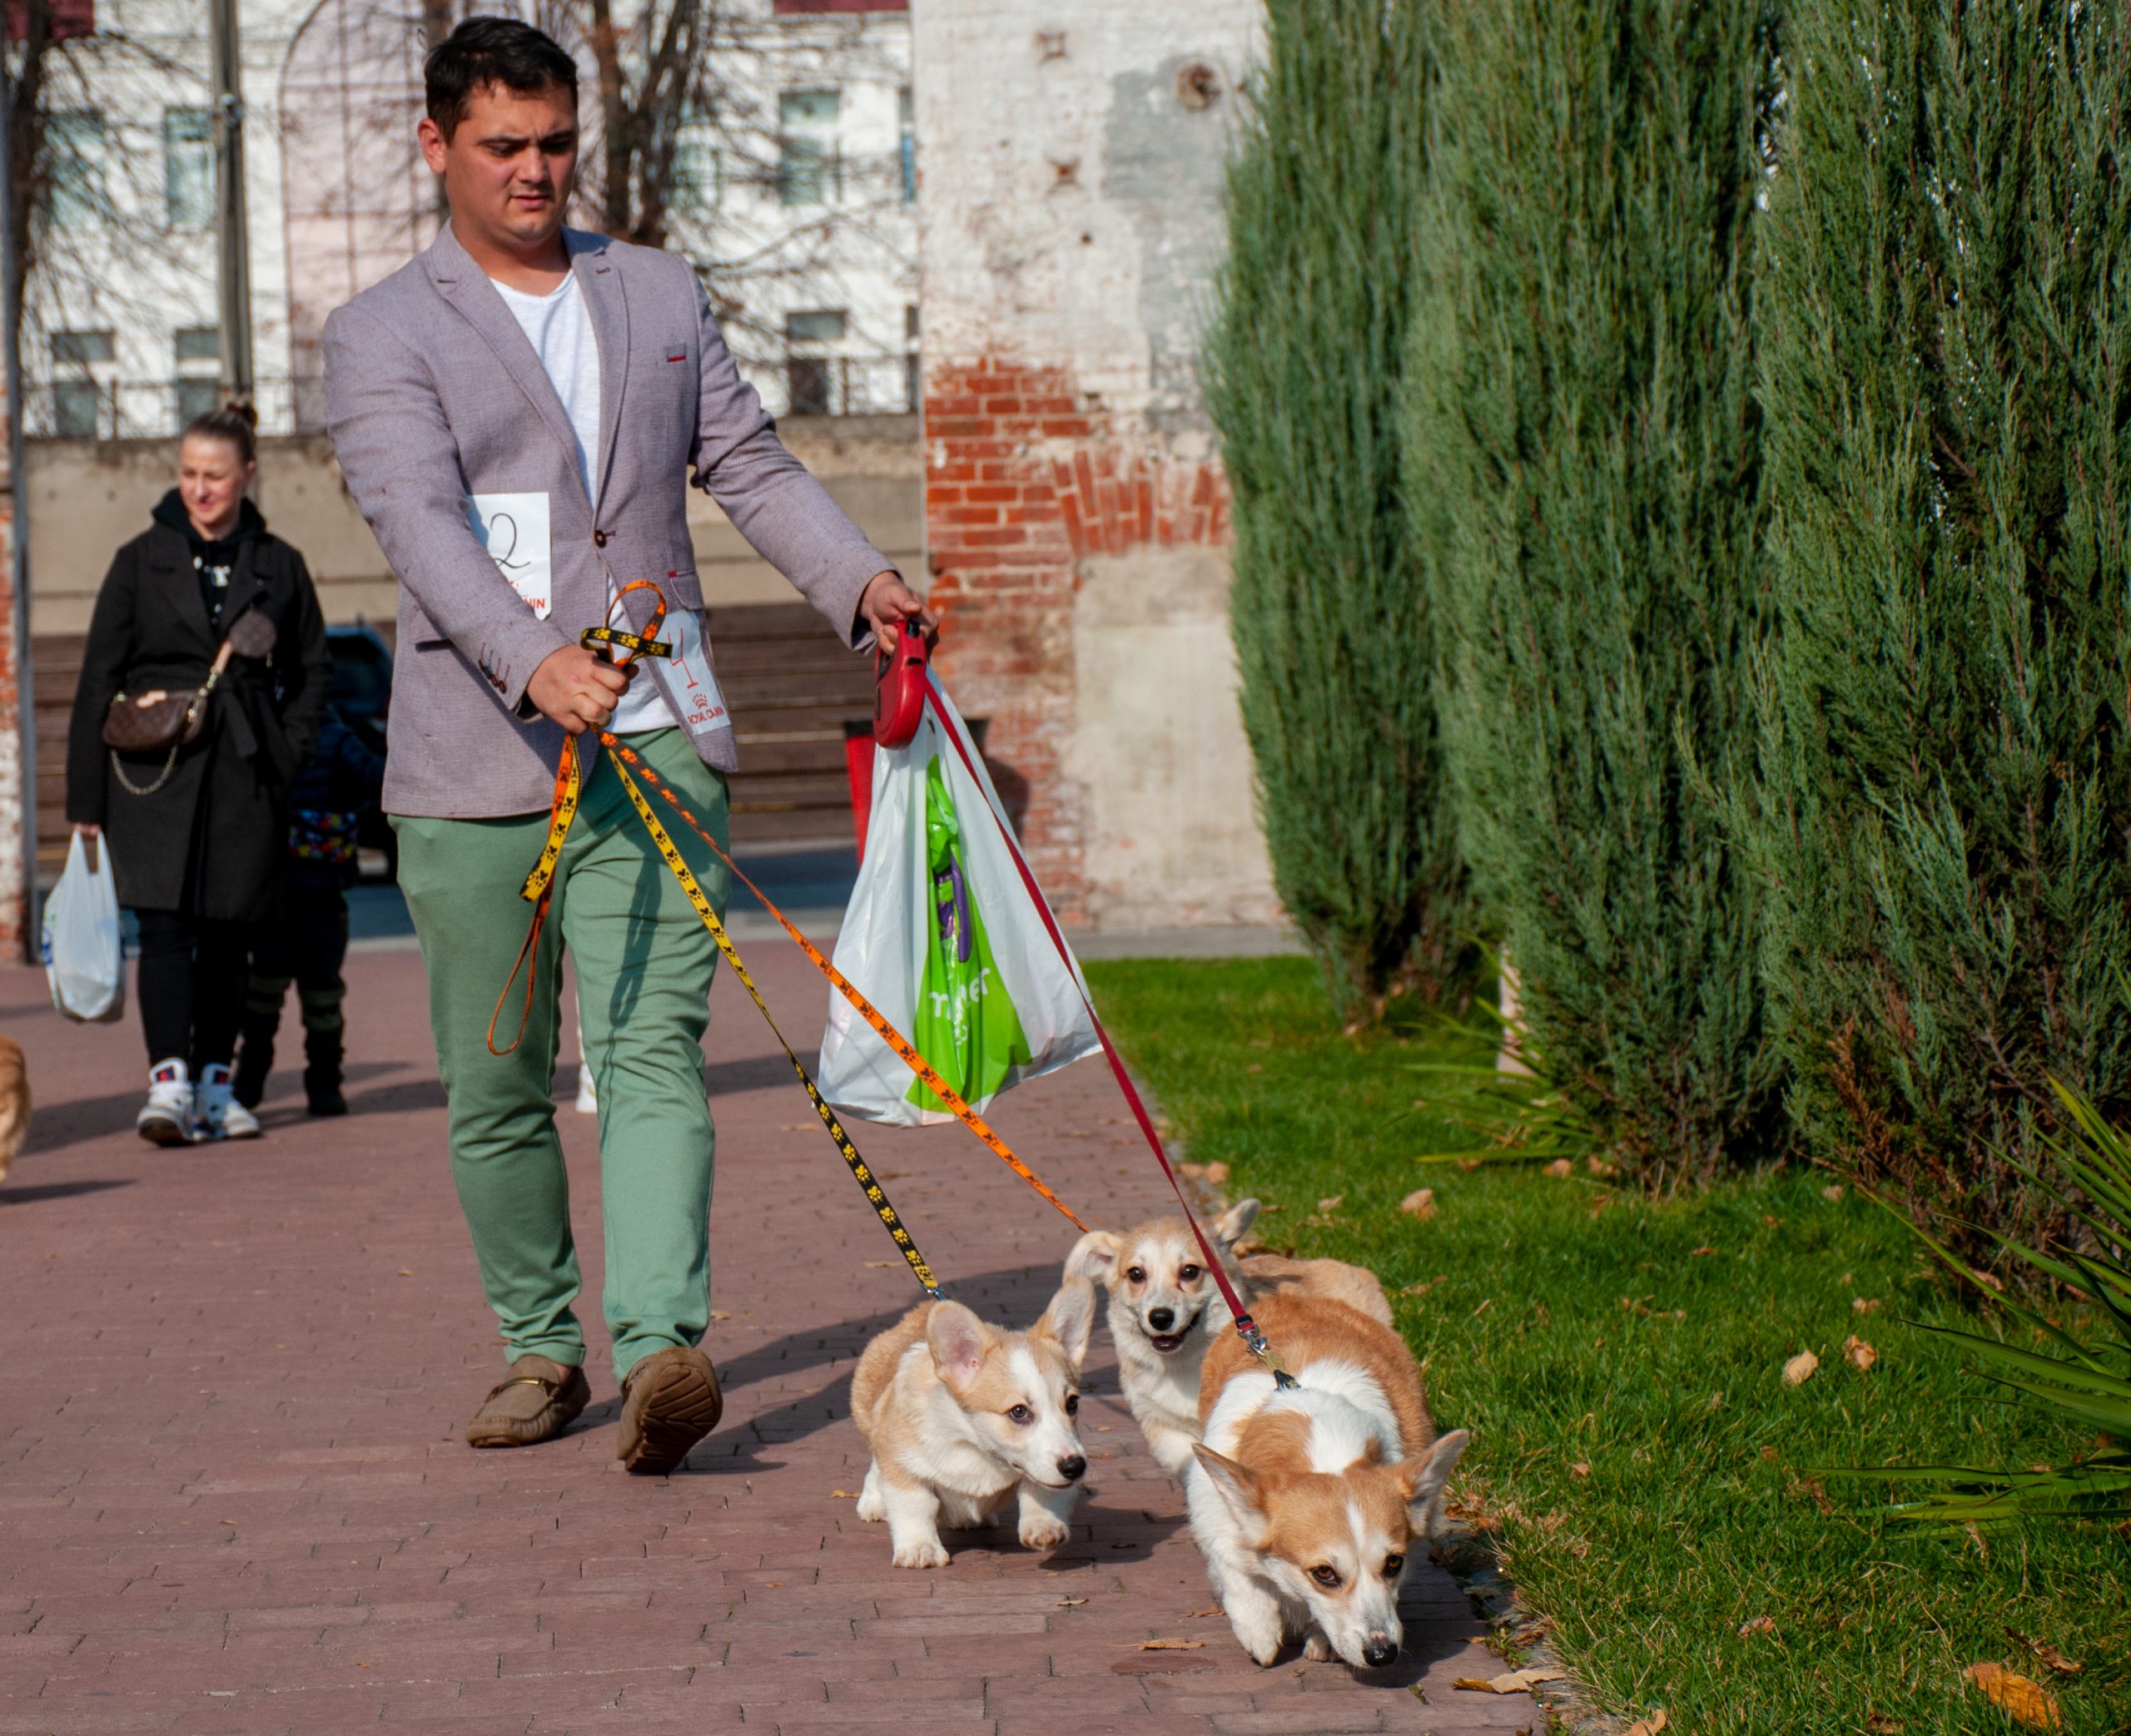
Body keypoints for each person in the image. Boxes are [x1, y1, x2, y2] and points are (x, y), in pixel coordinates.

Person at [323, 17, 931, 1473]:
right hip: (480, 765)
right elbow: (416, 517)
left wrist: (859, 584)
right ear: (437, 148)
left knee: (653, 1049)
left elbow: (749, 464)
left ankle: (662, 1348)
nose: (536, 172)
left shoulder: (651, 289)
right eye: (503, 147)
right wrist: (534, 662)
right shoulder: (380, 332)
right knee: (499, 1077)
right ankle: (542, 1352)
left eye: (554, 146)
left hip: (661, 739)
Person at [65, 404, 333, 1144]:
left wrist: (290, 750)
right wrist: (85, 797)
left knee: (228, 932)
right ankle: (168, 1085)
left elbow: (313, 667)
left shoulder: (279, 563)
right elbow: (97, 679)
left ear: (248, 475)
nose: (199, 489)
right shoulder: (138, 559)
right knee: (162, 927)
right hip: (152, 772)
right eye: (188, 474)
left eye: (215, 475)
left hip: (247, 772)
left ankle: (218, 1083)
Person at [233, 708, 386, 1117]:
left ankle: (247, 1085)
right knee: (323, 995)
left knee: (263, 992)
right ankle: (325, 1088)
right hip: (324, 885)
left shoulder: (259, 730)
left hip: (271, 887)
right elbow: (376, 777)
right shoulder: (335, 736)